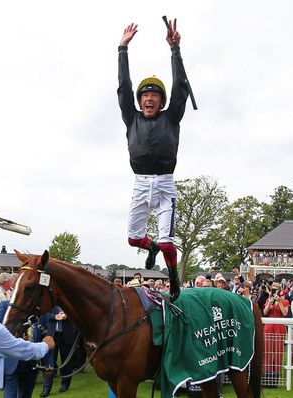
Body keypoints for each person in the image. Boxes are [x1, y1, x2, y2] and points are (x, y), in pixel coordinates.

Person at [118, 19, 190, 301]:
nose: (149, 98)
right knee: (134, 238)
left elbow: (181, 87)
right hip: (139, 183)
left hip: (164, 186)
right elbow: (124, 87)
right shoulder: (131, 118)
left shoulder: (171, 118)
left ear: (161, 102)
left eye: (155, 95)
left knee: (167, 241)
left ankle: (173, 279)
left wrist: (176, 50)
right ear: (140, 101)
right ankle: (150, 249)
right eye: (145, 95)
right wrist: (122, 49)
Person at [263, 282, 289, 378]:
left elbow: (285, 313)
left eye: (276, 289)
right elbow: (265, 312)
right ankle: (267, 371)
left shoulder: (285, 301)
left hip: (279, 326)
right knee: (267, 349)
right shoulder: (268, 299)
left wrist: (280, 302)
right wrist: (270, 302)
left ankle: (277, 372)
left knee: (278, 350)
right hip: (268, 326)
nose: (274, 291)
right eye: (272, 289)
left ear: (279, 290)